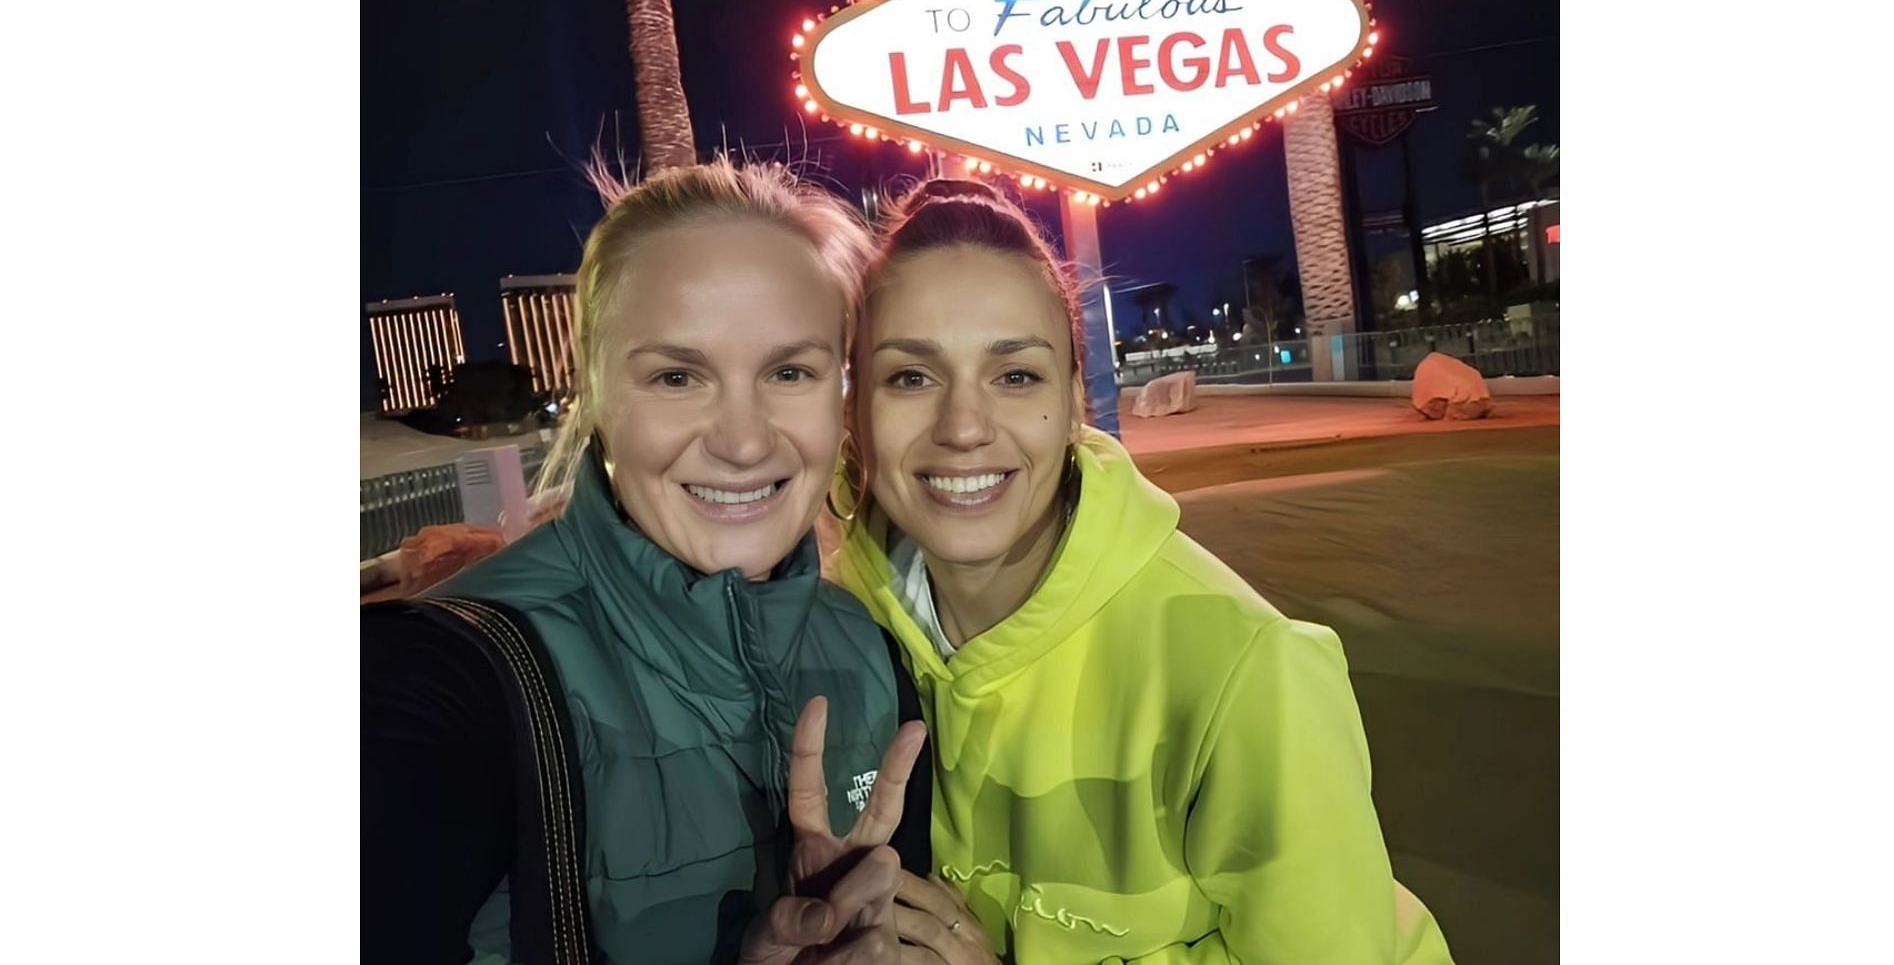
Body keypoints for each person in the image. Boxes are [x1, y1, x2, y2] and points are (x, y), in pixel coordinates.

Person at [831, 177, 1454, 964]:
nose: (962, 427)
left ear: (1073, 400)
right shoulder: (834, 629)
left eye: (1015, 375)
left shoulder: (1243, 669)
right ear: (855, 413)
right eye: (910, 377)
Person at [363, 160, 932, 965]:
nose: (743, 441)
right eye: (677, 376)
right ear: (596, 391)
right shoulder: (445, 681)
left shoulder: (870, 654)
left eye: (789, 371)